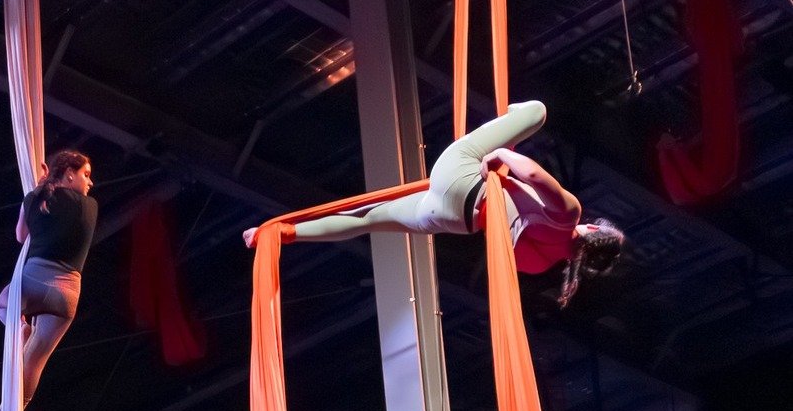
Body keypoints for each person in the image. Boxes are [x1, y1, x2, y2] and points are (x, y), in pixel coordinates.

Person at [244, 101, 624, 307]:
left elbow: (535, 175)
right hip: (451, 219)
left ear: (593, 229)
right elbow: (502, 245)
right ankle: (281, 234)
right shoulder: (540, 263)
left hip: (463, 179)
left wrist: (499, 157)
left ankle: (509, 117)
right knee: (369, 220)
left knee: (536, 111)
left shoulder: (570, 213)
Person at [0, 148, 97, 404]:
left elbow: (21, 236)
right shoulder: (90, 206)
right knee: (35, 362)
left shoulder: (35, 198)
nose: (90, 182)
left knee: (4, 303)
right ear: (69, 174)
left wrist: (36, 191)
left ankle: (19, 327)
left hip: (34, 279)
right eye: (86, 174)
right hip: (67, 295)